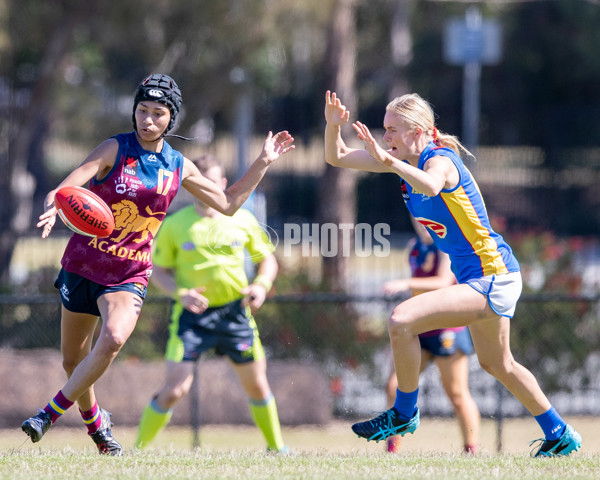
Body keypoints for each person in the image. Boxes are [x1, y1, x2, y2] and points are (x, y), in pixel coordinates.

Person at [21, 74, 294, 455]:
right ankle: (97, 425)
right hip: (82, 265)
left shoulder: (178, 165)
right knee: (72, 360)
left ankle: (47, 415)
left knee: (114, 338)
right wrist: (54, 203)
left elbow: (229, 203)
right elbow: (70, 186)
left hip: (129, 275)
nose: (148, 120)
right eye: (143, 110)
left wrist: (263, 162)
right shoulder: (114, 149)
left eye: (158, 113)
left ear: (171, 119)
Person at [324, 90, 581, 457]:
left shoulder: (440, 160)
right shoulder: (401, 160)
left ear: (420, 131)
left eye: (393, 130)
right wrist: (333, 126)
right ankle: (559, 433)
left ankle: (404, 411)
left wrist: (387, 160)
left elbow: (429, 184)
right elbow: (336, 157)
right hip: (487, 278)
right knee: (498, 363)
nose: (386, 138)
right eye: (385, 129)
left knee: (401, 319)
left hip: (493, 275)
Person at [135, 154, 287, 453]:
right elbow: (158, 272)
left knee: (257, 385)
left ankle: (277, 449)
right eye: (198, 182)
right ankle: (136, 451)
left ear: (223, 184)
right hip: (192, 317)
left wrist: (260, 285)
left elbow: (267, 261)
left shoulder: (243, 218)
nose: (205, 187)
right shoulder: (175, 224)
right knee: (175, 389)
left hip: (235, 313)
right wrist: (181, 294)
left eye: (212, 181)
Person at [382, 216, 480, 454]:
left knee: (457, 394)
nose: (420, 222)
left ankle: (471, 449)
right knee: (394, 386)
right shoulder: (414, 246)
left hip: (447, 329)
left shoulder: (445, 245)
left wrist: (405, 283)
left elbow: (444, 281)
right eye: (415, 218)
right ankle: (393, 448)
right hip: (419, 328)